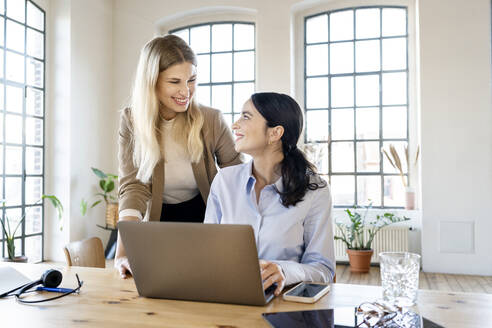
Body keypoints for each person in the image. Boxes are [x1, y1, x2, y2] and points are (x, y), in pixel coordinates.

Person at [115, 35, 243, 278]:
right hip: (159, 218)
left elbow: (236, 175)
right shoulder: (131, 121)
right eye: (175, 81)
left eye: (191, 80)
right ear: (152, 82)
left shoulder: (211, 119)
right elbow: (133, 186)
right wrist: (123, 253)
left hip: (206, 213)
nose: (186, 91)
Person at [204, 92, 335, 296]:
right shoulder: (224, 181)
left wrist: (283, 270)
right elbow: (208, 252)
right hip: (226, 298)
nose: (234, 125)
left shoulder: (315, 191)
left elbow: (323, 269)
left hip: (284, 304)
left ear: (275, 133)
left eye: (246, 117)